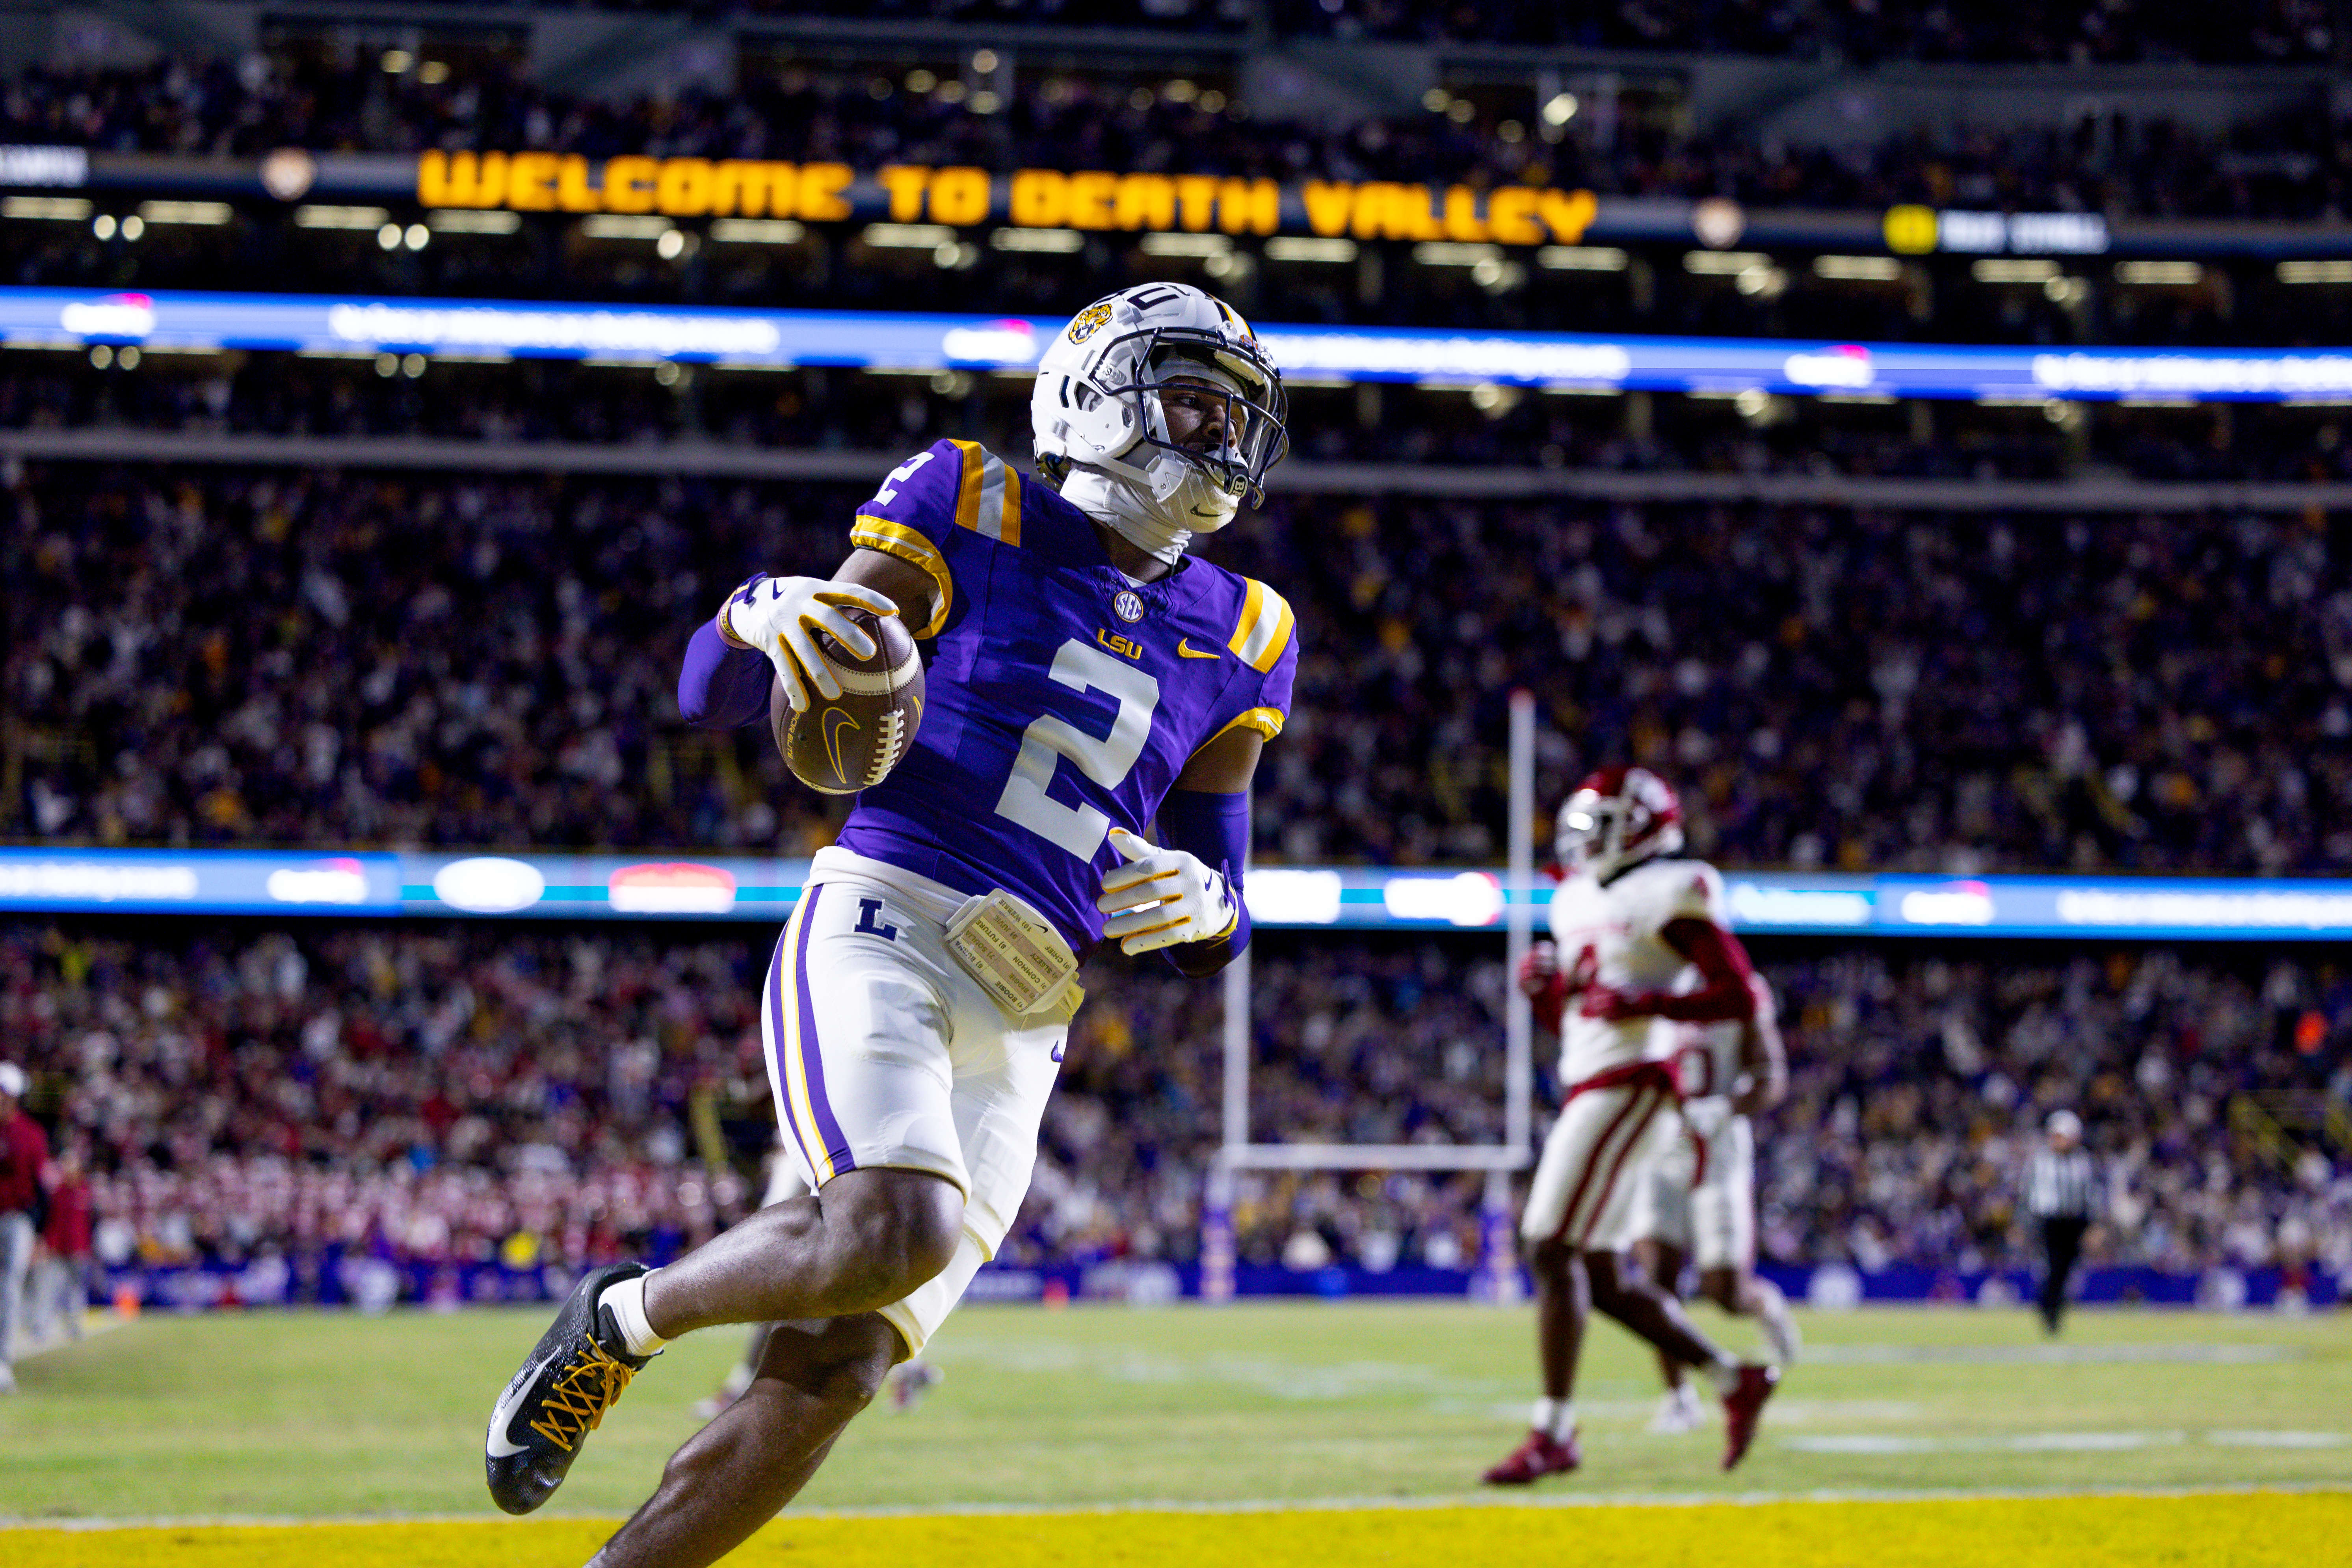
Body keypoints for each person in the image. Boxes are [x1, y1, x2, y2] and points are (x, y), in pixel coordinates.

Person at [484, 283, 1295, 1568]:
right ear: (1093, 395)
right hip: (888, 917)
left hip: (1032, 1011)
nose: (1217, 430)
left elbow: (1216, 893)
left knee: (842, 1361)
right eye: (1189, 394)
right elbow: (721, 698)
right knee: (893, 1225)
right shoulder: (969, 496)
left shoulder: (1251, 630)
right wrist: (754, 612)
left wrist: (1214, 906)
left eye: (1234, 410)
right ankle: (617, 1319)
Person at [1483, 767, 1778, 1484]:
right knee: (1596, 1270)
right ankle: (1732, 1375)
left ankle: (1553, 1430)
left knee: (1548, 1245)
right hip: (1592, 1077)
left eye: (1600, 821)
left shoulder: (1671, 887)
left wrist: (1651, 1003)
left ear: (1641, 824)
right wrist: (1543, 996)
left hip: (1634, 1081)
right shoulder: (1574, 896)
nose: (1583, 836)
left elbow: (1735, 992)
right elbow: (1581, 1017)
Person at [1627, 974, 1798, 1435]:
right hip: (1660, 1146)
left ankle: (1763, 1305)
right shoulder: (1645, 974)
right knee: (1654, 1282)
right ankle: (1678, 1398)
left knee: (1723, 1290)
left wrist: (1727, 1107)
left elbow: (1770, 1076)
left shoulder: (1739, 986)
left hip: (1719, 1146)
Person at [0, 1061, 50, 1394]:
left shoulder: (31, 1133)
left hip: (17, 1218)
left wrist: (42, 1232)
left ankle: (2, 1359)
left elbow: (41, 1186)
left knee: (10, 1286)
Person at [2025, 1109, 2095, 1334]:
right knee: (2052, 1268)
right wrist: (2024, 1222)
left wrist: (2092, 1225)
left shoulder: (2083, 1161)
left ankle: (2054, 1311)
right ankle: (2048, 1312)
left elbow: (2090, 1194)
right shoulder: (2040, 1160)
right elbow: (2027, 1193)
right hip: (2048, 1221)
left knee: (2066, 1270)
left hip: (2074, 1222)